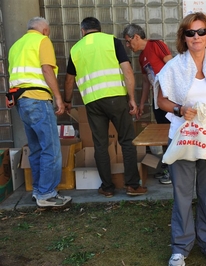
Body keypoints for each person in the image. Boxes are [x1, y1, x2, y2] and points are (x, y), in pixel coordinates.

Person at [154, 12, 206, 266]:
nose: (196, 37)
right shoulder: (174, 66)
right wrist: (179, 110)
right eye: (190, 32)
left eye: (201, 32)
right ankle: (180, 246)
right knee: (182, 194)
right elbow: (161, 101)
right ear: (184, 37)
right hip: (182, 136)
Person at [64, 17, 147, 198]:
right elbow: (127, 70)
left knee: (100, 145)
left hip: (93, 102)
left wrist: (67, 100)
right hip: (116, 98)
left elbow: (69, 79)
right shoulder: (112, 41)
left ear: (83, 31)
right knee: (126, 140)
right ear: (99, 29)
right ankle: (132, 185)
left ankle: (107, 187)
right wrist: (131, 98)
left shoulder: (76, 49)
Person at [7, 17, 71, 207]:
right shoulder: (42, 41)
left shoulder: (16, 46)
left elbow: (16, 75)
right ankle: (47, 194)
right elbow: (47, 70)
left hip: (22, 101)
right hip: (38, 99)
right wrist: (58, 97)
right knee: (50, 148)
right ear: (44, 30)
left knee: (35, 149)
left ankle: (39, 190)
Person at [122, 23, 173, 185]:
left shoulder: (156, 45)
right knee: (164, 133)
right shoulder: (141, 57)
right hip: (157, 100)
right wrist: (142, 103)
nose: (128, 46)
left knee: (172, 133)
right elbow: (145, 82)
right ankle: (168, 166)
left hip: (170, 99)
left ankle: (174, 171)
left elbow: (172, 67)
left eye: (129, 41)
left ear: (137, 36)